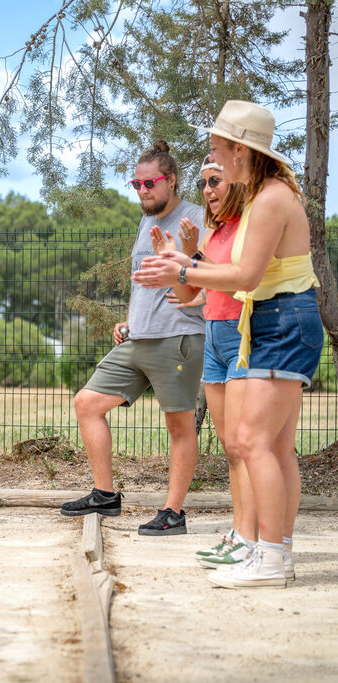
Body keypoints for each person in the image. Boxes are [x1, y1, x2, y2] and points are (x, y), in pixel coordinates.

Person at [134, 101, 322, 588]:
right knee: (270, 445)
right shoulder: (263, 195)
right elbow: (218, 278)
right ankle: (267, 550)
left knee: (253, 443)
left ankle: (271, 557)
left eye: (218, 149)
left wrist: (181, 268)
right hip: (267, 320)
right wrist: (185, 264)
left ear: (241, 150)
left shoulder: (273, 198)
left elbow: (245, 275)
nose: (213, 159)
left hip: (280, 320)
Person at [60, 141, 206, 535]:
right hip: (137, 338)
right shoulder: (147, 221)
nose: (142, 191)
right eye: (136, 184)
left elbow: (212, 279)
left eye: (149, 183)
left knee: (179, 427)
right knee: (87, 403)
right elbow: (141, 282)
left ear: (171, 180)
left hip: (178, 338)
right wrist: (128, 321)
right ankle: (105, 495)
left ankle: (172, 513)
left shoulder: (196, 219)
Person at [153, 158, 258, 570]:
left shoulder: (251, 225)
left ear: (238, 183)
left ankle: (255, 538)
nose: (207, 190)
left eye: (215, 181)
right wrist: (173, 261)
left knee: (246, 445)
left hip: (243, 335)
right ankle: (239, 534)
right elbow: (189, 293)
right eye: (203, 183)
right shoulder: (214, 230)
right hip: (213, 335)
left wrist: (190, 255)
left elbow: (241, 277)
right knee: (232, 449)